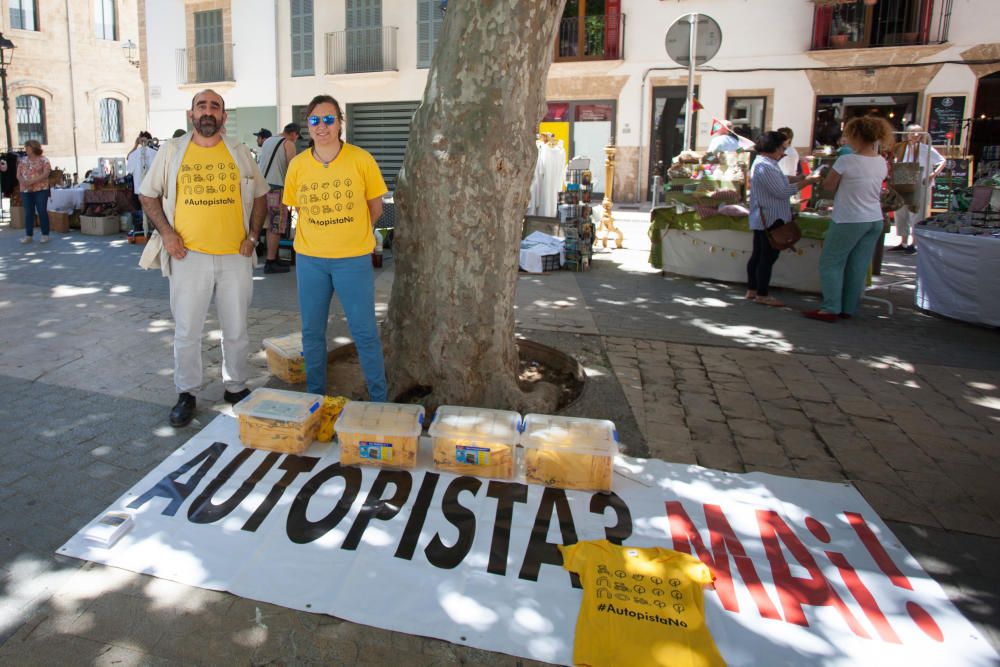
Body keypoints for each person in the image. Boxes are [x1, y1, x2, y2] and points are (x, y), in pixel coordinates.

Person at [139, 89, 269, 427]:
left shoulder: (240, 152)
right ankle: (187, 392)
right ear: (191, 115)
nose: (208, 112)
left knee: (237, 328)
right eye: (202, 106)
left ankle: (236, 387)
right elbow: (147, 194)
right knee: (187, 330)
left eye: (215, 106)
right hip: (188, 257)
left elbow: (260, 196)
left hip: (235, 257)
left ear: (224, 116)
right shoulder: (171, 152)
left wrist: (253, 237)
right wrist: (167, 234)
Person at [283, 94, 388, 401]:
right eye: (315, 120)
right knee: (312, 334)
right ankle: (315, 398)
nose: (322, 126)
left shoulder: (361, 159)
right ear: (308, 126)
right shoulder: (298, 166)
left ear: (340, 123)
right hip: (311, 261)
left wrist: (350, 235)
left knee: (365, 333)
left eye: (329, 119)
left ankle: (379, 400)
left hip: (352, 261)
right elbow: (299, 209)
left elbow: (376, 208)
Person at [804, 116, 893, 323]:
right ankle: (848, 308)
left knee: (831, 262)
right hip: (874, 218)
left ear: (856, 135)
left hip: (850, 218)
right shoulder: (881, 161)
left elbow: (828, 186)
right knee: (858, 265)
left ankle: (830, 308)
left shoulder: (846, 160)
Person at [746, 131, 822, 306]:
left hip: (766, 216)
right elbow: (781, 192)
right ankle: (762, 294)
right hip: (771, 217)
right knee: (767, 257)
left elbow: (780, 181)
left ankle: (753, 289)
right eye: (781, 148)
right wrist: (807, 182)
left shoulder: (766, 163)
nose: (783, 152)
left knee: (759, 255)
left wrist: (798, 178)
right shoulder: (765, 165)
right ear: (773, 147)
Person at [889, 124, 945, 254]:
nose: (915, 135)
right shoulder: (901, 148)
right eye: (913, 132)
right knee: (900, 212)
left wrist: (932, 175)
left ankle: (913, 244)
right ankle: (903, 242)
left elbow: (942, 161)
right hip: (902, 180)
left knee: (916, 213)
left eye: (918, 133)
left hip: (919, 182)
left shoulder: (926, 148)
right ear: (906, 134)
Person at [256, 123, 301, 274]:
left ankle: (270, 258)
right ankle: (270, 262)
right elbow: (292, 169)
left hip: (262, 188)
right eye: (296, 137)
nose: (296, 139)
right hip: (277, 189)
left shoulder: (268, 141)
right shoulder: (288, 144)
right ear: (294, 134)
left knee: (268, 225)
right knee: (276, 226)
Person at [17, 140, 52, 245]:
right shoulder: (22, 160)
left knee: (41, 211)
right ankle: (28, 235)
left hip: (41, 190)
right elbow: (18, 174)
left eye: (28, 147)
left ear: (34, 148)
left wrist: (32, 181)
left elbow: (46, 174)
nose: (26, 149)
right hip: (25, 190)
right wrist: (23, 182)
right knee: (28, 213)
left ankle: (45, 235)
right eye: (25, 147)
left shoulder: (44, 160)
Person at [126, 132, 158, 236]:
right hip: (150, 187)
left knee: (147, 207)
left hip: (143, 188)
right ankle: (149, 228)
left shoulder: (135, 154)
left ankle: (147, 227)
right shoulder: (154, 153)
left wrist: (136, 146)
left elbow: (129, 167)